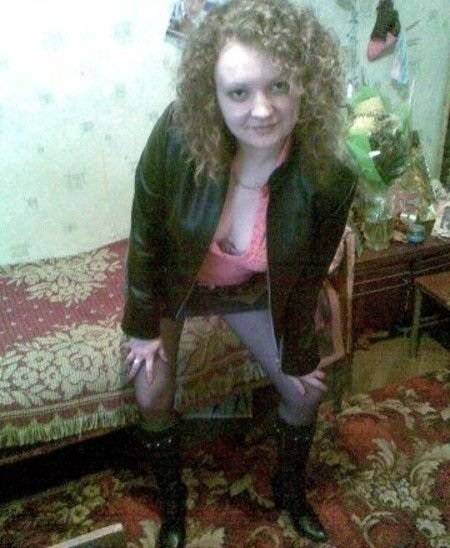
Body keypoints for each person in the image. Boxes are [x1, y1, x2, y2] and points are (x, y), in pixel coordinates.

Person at [121, 1, 357, 546]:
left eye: (279, 85)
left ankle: (290, 492)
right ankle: (174, 505)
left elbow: (306, 277)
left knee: (305, 392)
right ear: (213, 94)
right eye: (239, 92)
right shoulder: (177, 136)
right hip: (177, 286)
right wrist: (142, 327)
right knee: (150, 391)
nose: (262, 109)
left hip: (249, 291)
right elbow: (145, 234)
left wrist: (300, 352)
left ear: (307, 83)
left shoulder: (329, 173)